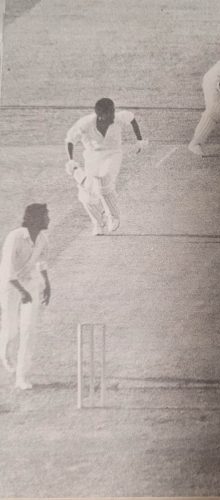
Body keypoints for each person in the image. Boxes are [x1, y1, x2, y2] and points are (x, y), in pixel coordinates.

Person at [65, 98, 148, 235]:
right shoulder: (85, 123)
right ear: (101, 116)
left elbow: (132, 119)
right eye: (110, 113)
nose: (113, 116)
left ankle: (113, 216)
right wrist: (71, 161)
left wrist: (139, 140)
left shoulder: (119, 118)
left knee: (103, 179)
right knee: (86, 195)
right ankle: (98, 223)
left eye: (114, 111)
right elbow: (70, 139)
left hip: (113, 154)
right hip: (92, 157)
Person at [0, 204, 51, 390]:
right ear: (34, 219)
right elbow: (7, 272)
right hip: (10, 285)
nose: (49, 219)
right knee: (12, 329)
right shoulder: (14, 237)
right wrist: (22, 292)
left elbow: (42, 261)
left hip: (30, 282)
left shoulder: (43, 238)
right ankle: (4, 352)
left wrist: (47, 284)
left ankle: (22, 376)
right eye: (46, 216)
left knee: (28, 329)